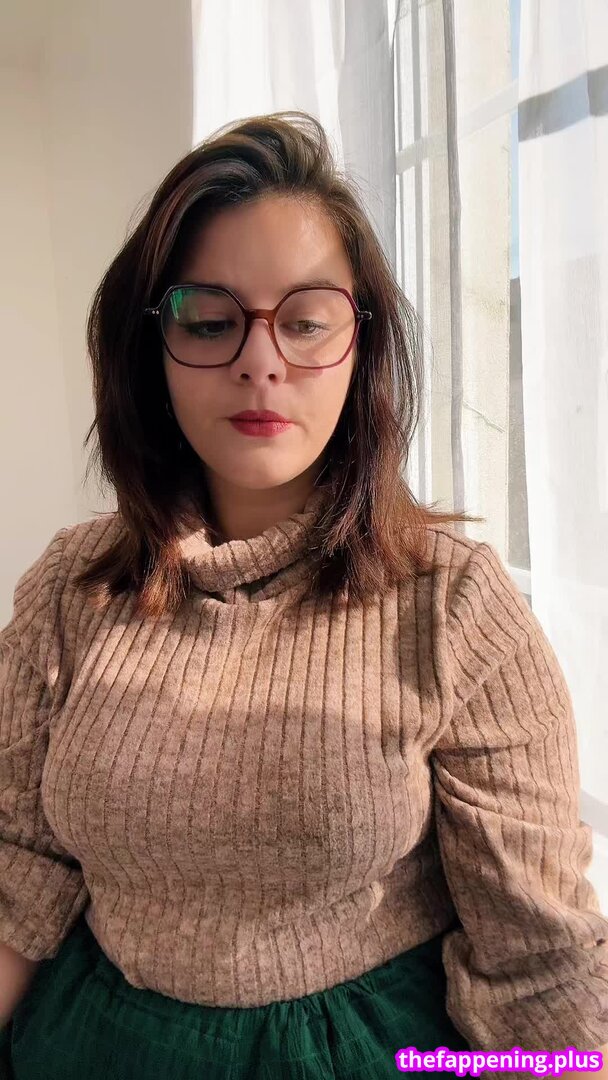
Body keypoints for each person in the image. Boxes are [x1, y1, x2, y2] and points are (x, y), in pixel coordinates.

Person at [0, 110, 607, 1080]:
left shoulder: (453, 607)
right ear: (150, 350)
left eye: (306, 321)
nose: (260, 360)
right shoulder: (70, 589)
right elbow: (17, 871)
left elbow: (539, 966)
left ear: (361, 346)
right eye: (210, 320)